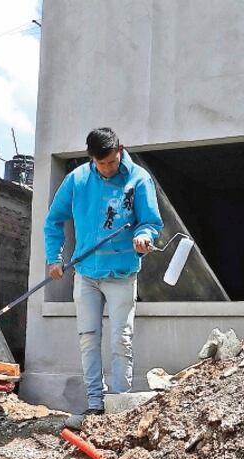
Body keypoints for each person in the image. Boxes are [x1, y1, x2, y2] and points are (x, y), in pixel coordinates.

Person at [44, 127, 163, 421]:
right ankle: (95, 403)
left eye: (111, 161)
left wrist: (144, 236)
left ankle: (120, 405)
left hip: (122, 273)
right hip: (85, 273)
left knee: (121, 339)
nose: (108, 168)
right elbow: (54, 220)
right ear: (91, 160)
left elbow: (150, 221)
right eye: (101, 164)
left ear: (120, 149)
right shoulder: (77, 180)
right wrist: (54, 258)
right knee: (88, 337)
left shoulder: (139, 179)